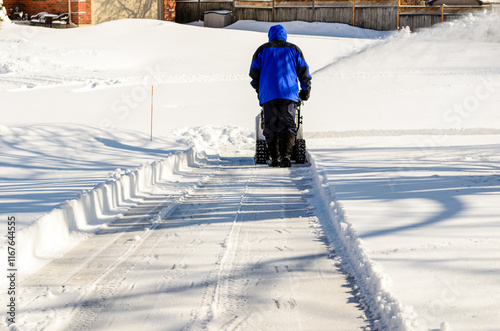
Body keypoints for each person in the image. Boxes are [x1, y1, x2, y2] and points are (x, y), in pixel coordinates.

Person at [250, 24, 312, 167]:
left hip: (268, 95)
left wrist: (260, 90)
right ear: (284, 35)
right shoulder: (294, 49)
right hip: (288, 94)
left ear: (270, 35)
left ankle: (275, 158)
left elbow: (254, 74)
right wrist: (305, 91)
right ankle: (286, 156)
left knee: (270, 126)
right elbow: (304, 72)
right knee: (288, 125)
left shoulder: (262, 50)